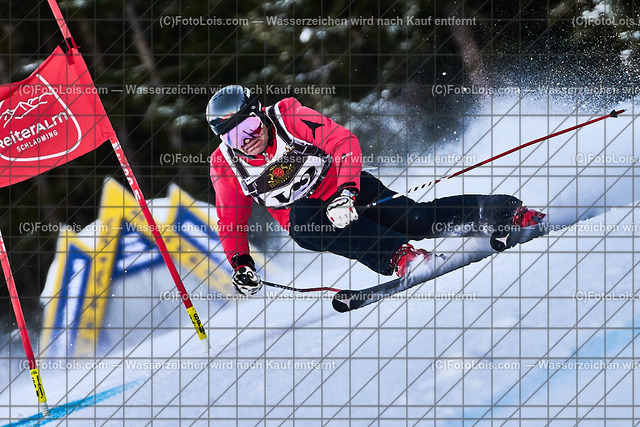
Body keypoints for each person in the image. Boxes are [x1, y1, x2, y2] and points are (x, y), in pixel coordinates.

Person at [207, 85, 545, 296]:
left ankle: (504, 213)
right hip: (310, 219)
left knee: (414, 219)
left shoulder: (288, 116)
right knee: (305, 219)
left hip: (348, 189)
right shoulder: (225, 165)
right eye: (234, 136)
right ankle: (400, 257)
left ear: (259, 113)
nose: (247, 139)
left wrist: (346, 191)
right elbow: (231, 221)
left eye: (249, 126)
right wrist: (241, 264)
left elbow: (343, 142)